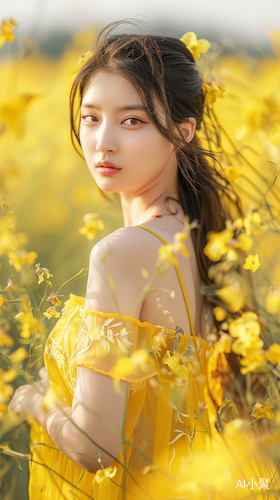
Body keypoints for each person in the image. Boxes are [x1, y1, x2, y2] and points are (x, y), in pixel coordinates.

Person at [9, 22, 238, 499]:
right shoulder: (207, 239)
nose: (103, 141)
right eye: (92, 117)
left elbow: (96, 447)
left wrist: (36, 403)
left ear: (183, 130)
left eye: (131, 121)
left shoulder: (121, 253)